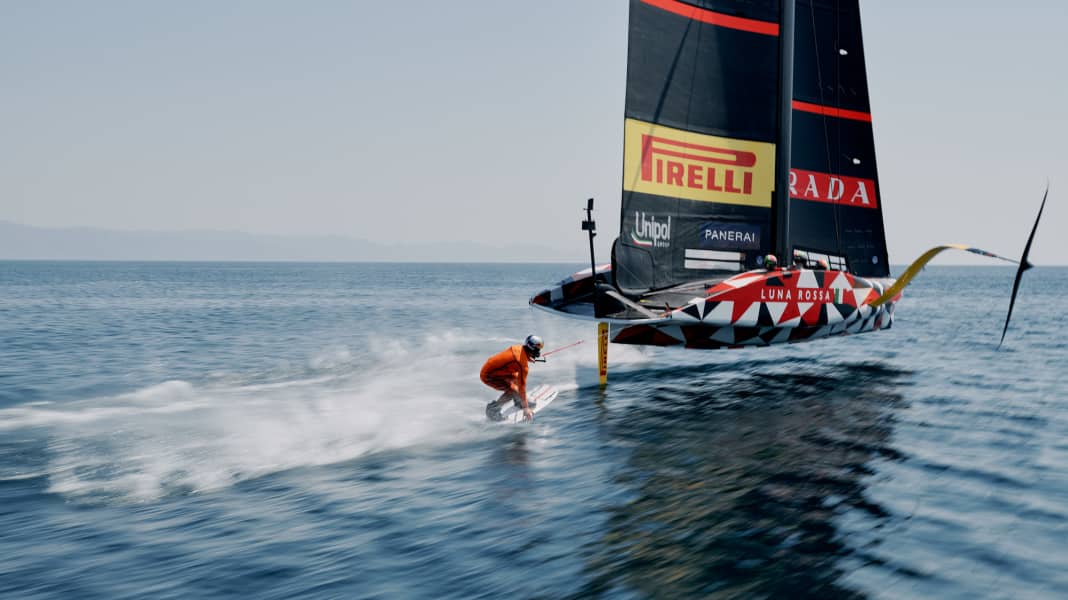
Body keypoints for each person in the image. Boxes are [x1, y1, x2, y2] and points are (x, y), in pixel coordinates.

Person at [480, 335, 543, 422]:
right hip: (489, 375)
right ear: (532, 348)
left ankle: (518, 401)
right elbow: (522, 388)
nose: (539, 351)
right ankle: (492, 409)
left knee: (516, 379)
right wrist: (526, 408)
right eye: (538, 348)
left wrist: (527, 358)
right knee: (513, 390)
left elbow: (517, 358)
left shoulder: (519, 348)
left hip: (499, 371)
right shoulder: (522, 365)